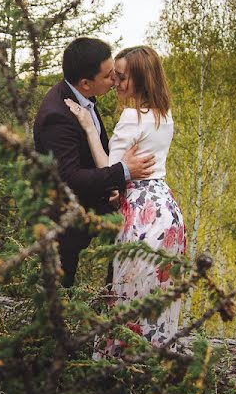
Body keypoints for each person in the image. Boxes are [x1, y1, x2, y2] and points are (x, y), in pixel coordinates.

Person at [64, 45, 186, 354]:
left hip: (142, 212)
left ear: (142, 79)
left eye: (121, 78)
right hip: (166, 208)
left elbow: (110, 169)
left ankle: (119, 365)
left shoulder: (132, 116)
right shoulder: (164, 114)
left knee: (127, 293)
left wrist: (89, 127)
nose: (116, 83)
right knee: (157, 296)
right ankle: (154, 358)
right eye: (114, 76)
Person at [33, 37, 155, 287]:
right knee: (58, 289)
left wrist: (112, 186)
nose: (115, 81)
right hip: (65, 220)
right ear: (86, 83)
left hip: (91, 207)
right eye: (109, 76)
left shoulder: (82, 98)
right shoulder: (57, 115)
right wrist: (122, 172)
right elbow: (71, 178)